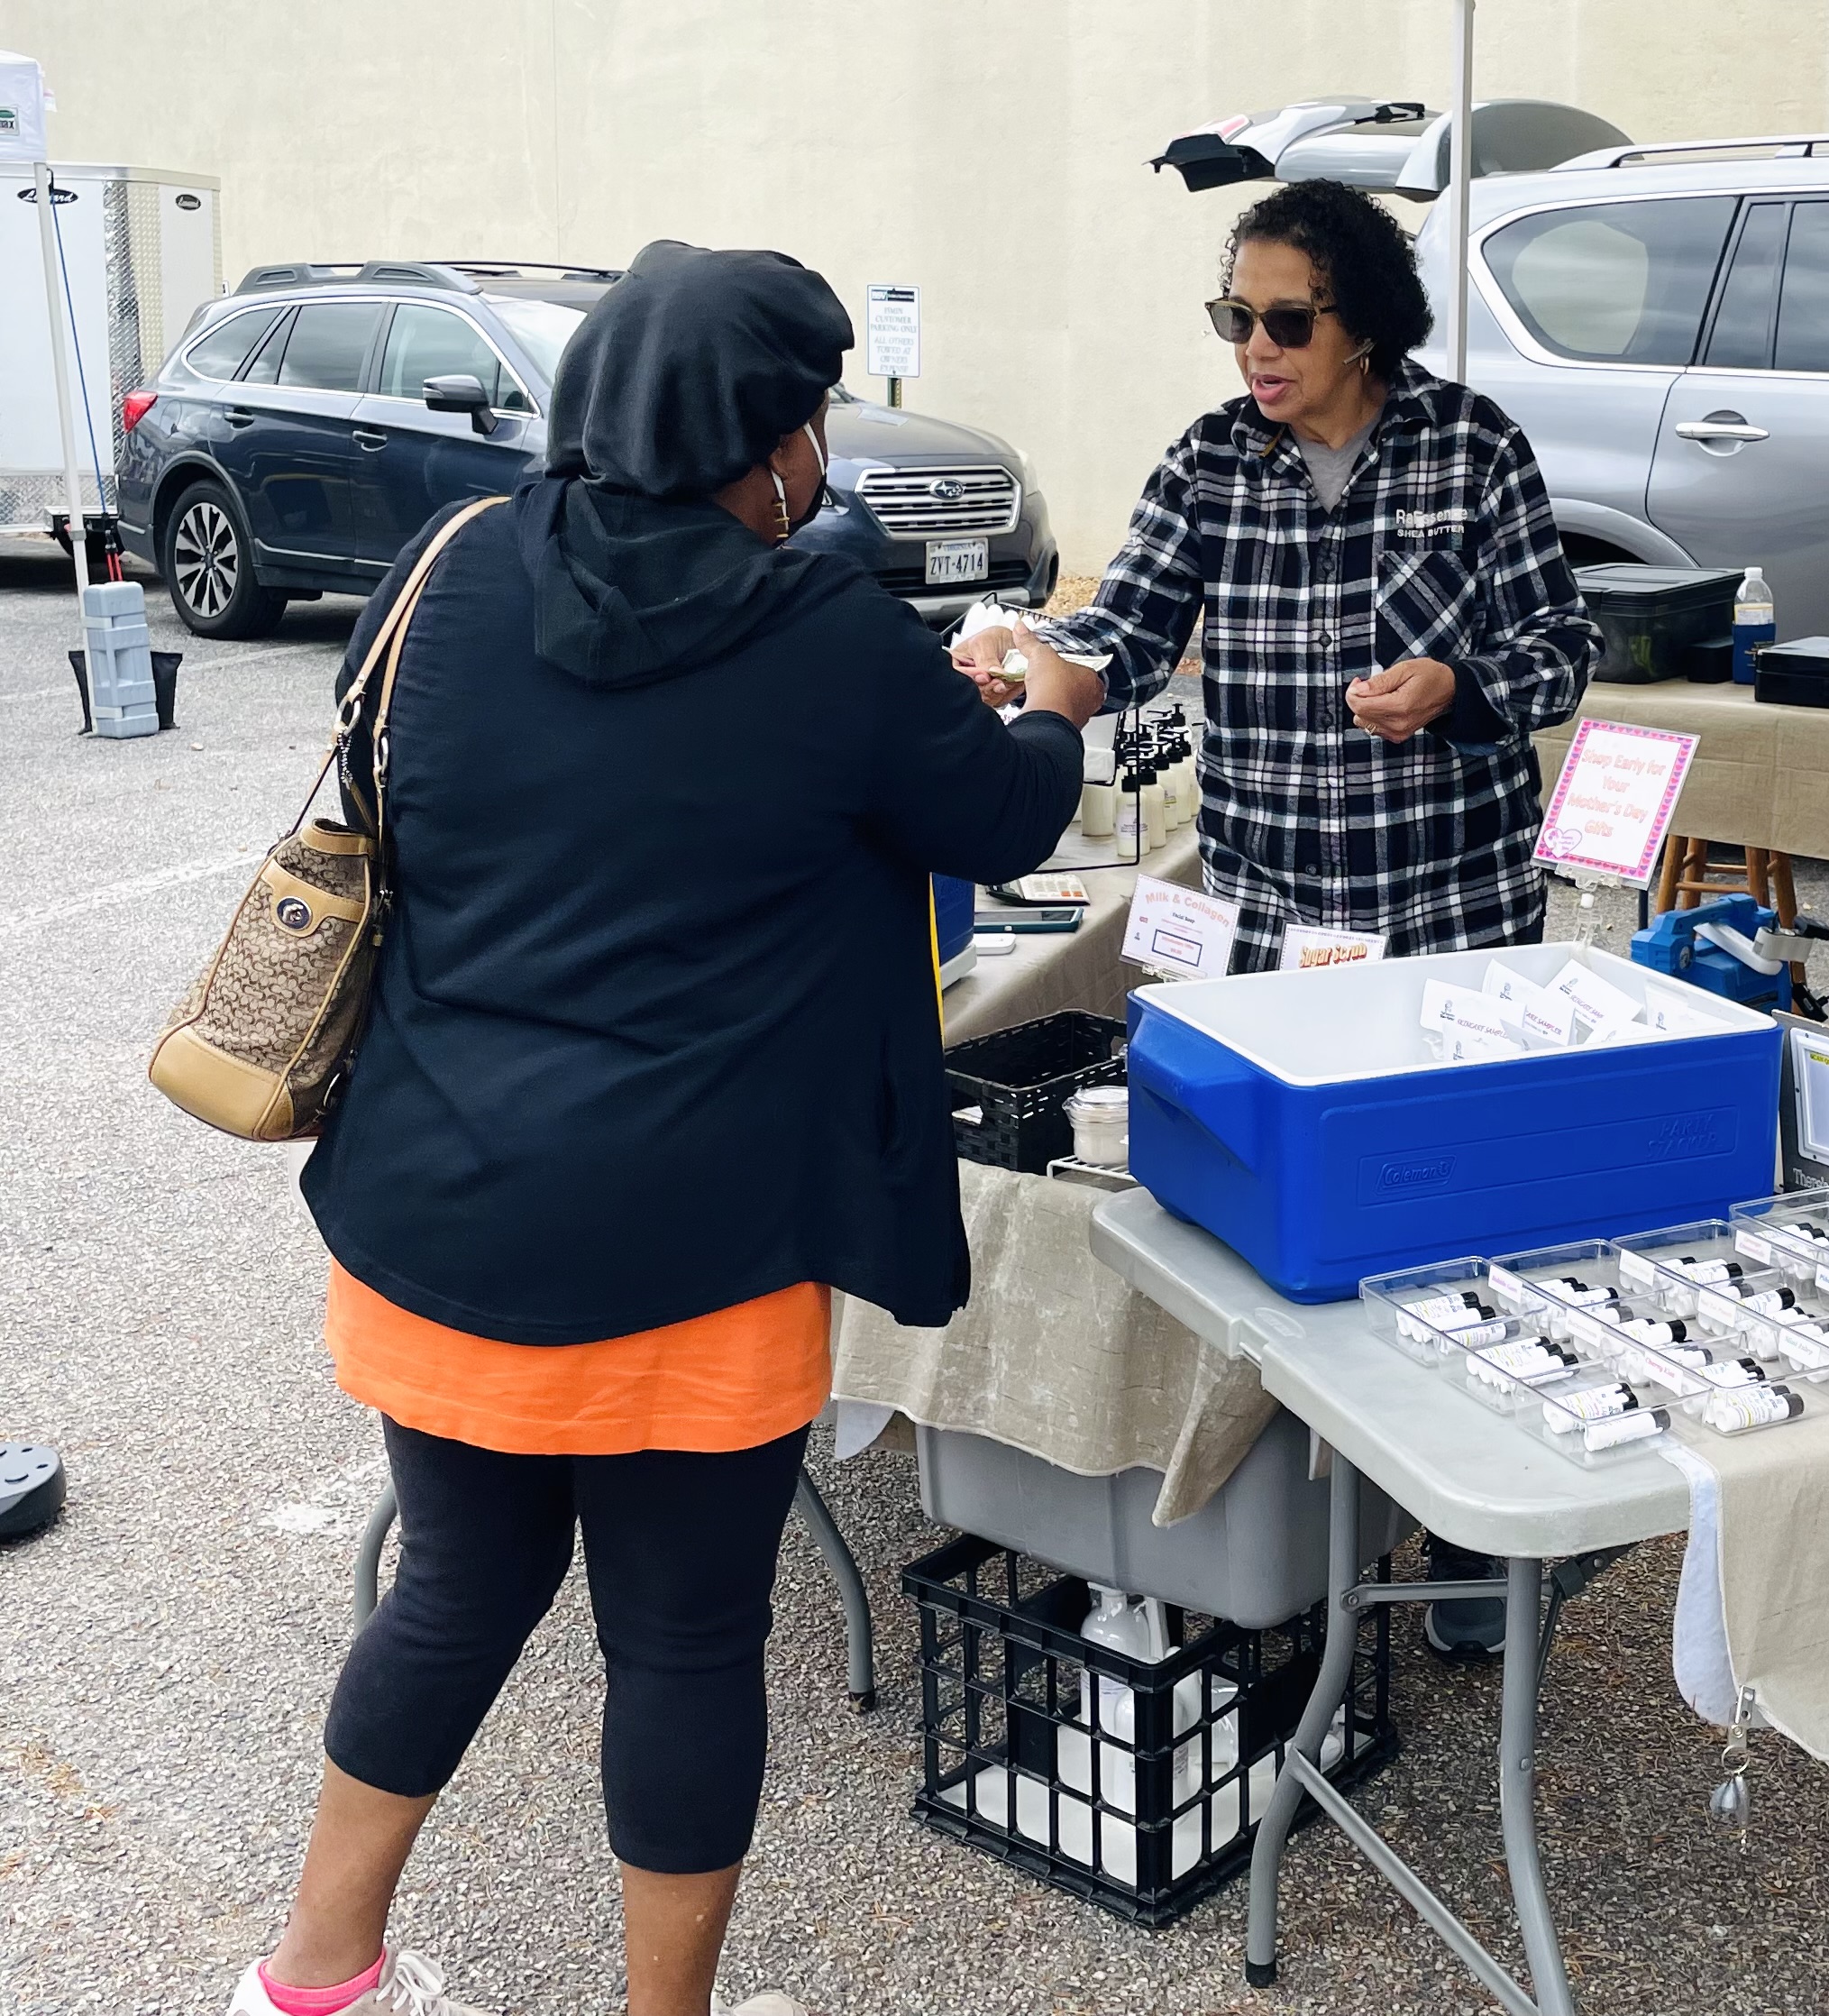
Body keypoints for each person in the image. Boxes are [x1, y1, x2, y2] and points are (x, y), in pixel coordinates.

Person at [229, 243, 1102, 2016]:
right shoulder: (835, 640)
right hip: (703, 1244)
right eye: (815, 414)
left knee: (456, 1588)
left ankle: (309, 1977)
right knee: (684, 1635)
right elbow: (998, 817)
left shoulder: (453, 563)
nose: (824, 450)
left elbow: (410, 780)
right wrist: (1052, 701)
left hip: (446, 1207)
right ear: (766, 436)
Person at [957, 179, 1600, 1659]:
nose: (1256, 345)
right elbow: (1124, 632)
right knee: (1287, 1228)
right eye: (1234, 317)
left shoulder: (1469, 449)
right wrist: (1032, 668)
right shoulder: (1209, 459)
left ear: (1364, 322)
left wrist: (1464, 690)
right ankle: (1306, 1530)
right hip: (1268, 919)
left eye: (1286, 320)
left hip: (1449, 908)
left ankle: (1471, 1542)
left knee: (1451, 1213)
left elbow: (1562, 647)